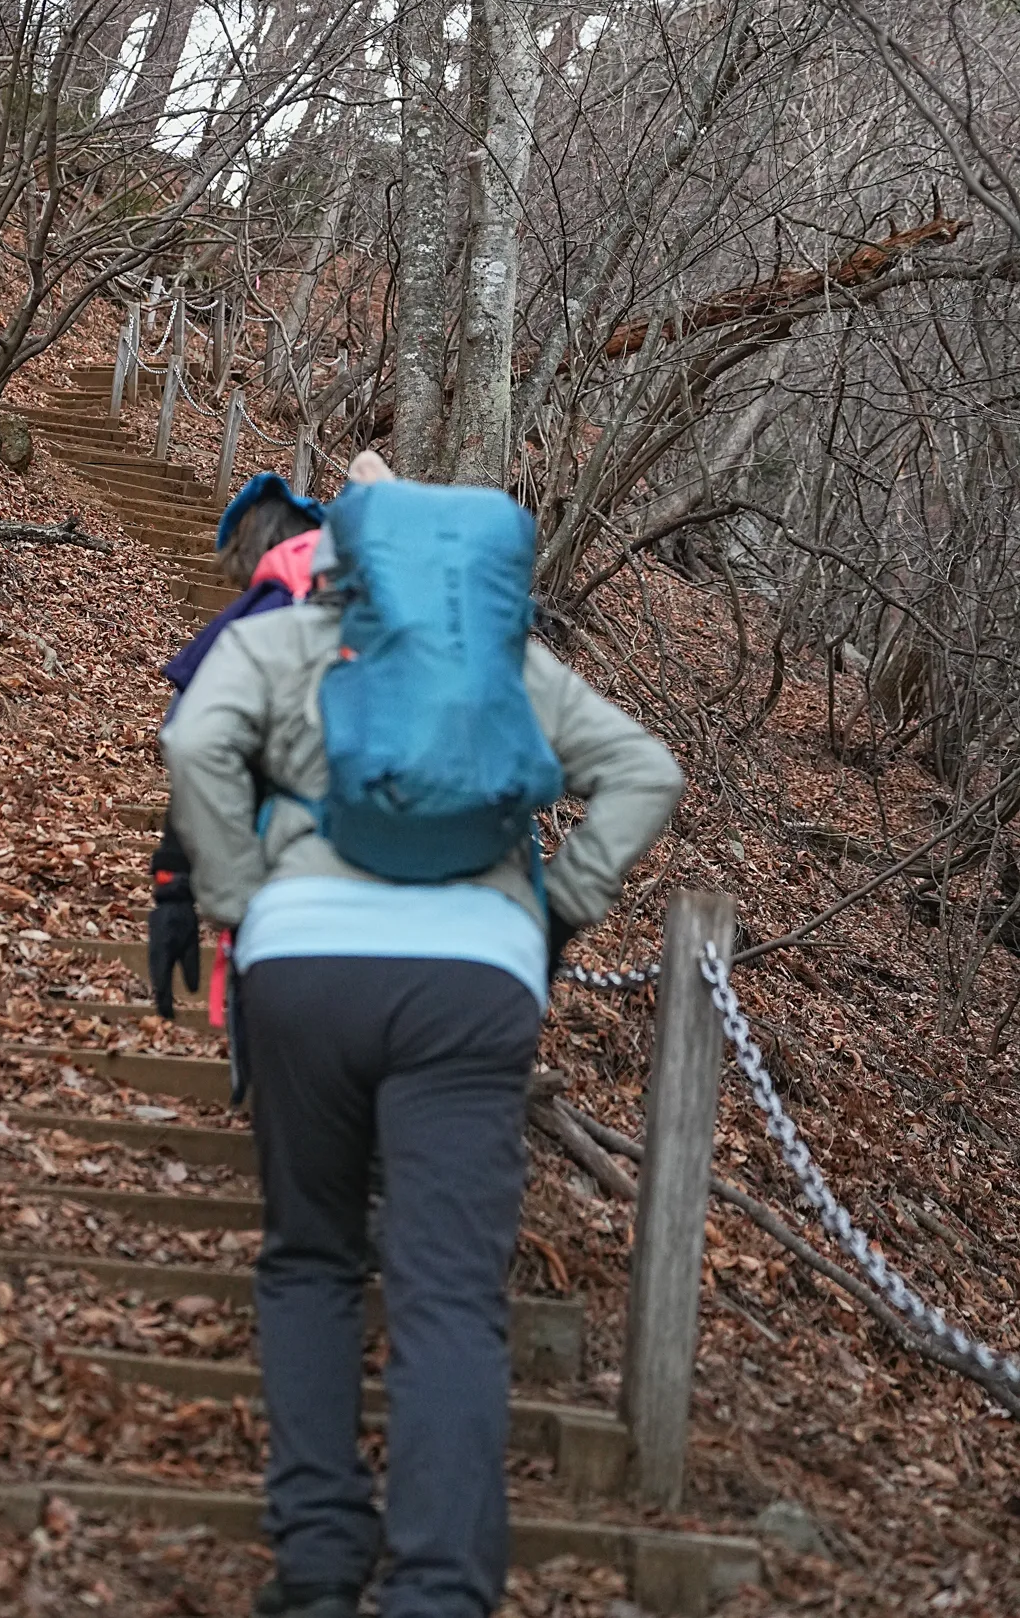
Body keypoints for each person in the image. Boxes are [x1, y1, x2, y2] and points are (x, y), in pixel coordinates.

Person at [161, 481, 684, 1618]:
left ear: (338, 558)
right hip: (472, 985)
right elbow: (647, 772)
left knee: (310, 1258)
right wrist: (556, 914)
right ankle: (441, 1589)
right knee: (449, 1296)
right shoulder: (508, 668)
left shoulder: (289, 641)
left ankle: (317, 1565)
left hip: (304, 970)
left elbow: (194, 737)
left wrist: (240, 897)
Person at [147, 470, 324, 1020]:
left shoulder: (256, 620)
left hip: (286, 873)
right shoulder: (387, 610)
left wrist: (175, 887)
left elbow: (194, 743)